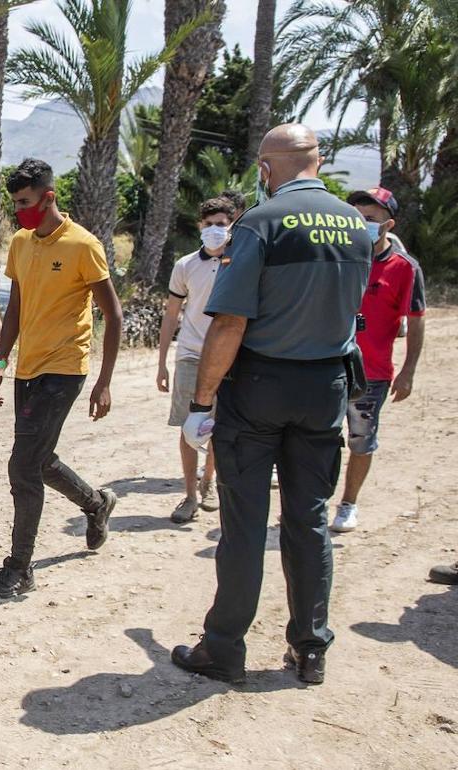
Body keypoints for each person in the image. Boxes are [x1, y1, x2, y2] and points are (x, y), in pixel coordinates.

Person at [171, 124, 372, 686]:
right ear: (318, 160)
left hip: (259, 388)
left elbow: (231, 321)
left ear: (265, 167)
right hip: (324, 388)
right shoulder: (355, 223)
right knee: (308, 521)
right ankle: (310, 649)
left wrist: (201, 400)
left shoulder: (260, 223)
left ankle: (223, 649)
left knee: (243, 524)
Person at [0, 158, 123, 601]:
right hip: (29, 368)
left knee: (22, 465)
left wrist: (105, 381)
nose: (20, 211)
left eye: (26, 202)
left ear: (49, 197)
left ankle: (19, 569)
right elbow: (16, 307)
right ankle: (96, 503)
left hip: (65, 368)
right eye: (15, 204)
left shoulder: (83, 244)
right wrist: (0, 367)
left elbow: (112, 315)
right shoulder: (21, 243)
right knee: (38, 459)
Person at [330, 188, 425, 532]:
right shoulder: (334, 257)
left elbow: (415, 319)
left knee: (360, 439)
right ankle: (311, 503)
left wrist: (409, 371)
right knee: (319, 438)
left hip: (371, 375)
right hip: (326, 367)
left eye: (370, 219)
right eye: (357, 217)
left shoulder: (404, 268)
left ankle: (348, 504)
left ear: (389, 224)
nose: (362, 224)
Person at [157, 197, 237, 523]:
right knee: (189, 428)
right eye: (210, 224)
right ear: (199, 226)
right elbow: (172, 313)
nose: (215, 230)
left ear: (232, 226)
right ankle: (190, 494)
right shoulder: (186, 265)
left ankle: (209, 482)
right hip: (190, 355)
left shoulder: (241, 263)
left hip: (229, 357)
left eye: (222, 224)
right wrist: (162, 361)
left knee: (218, 427)